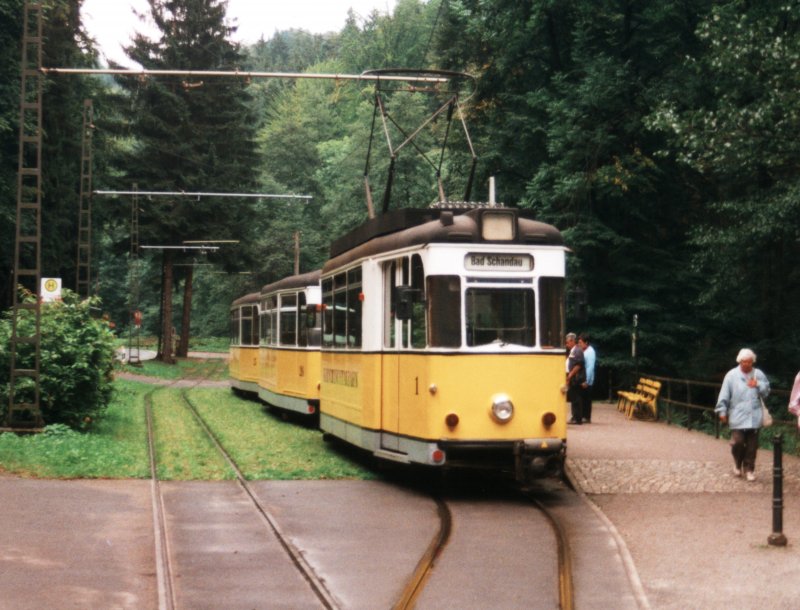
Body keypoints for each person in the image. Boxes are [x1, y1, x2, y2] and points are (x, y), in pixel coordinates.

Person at [714, 348, 770, 481]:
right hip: (737, 415)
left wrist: (758, 384)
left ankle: (749, 469)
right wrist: (722, 411)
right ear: (739, 361)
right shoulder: (731, 375)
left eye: (749, 362)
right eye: (744, 362)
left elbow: (767, 391)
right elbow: (724, 394)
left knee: (752, 446)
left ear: (752, 362)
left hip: (754, 415)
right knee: (738, 442)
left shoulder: (758, 374)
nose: (746, 364)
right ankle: (737, 463)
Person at [565, 333, 585, 424]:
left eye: (567, 342)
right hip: (572, 377)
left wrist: (570, 375)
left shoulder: (577, 350)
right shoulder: (572, 350)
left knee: (576, 398)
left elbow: (578, 365)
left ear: (572, 341)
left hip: (575, 378)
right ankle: (575, 417)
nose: (566, 344)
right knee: (574, 398)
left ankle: (577, 418)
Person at [578, 334, 596, 423]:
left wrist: (586, 381)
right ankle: (583, 415)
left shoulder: (590, 352)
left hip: (587, 379)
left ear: (586, 342)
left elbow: (590, 367)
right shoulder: (584, 351)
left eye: (581, 342)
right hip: (583, 378)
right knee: (583, 398)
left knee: (586, 399)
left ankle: (586, 417)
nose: (579, 344)